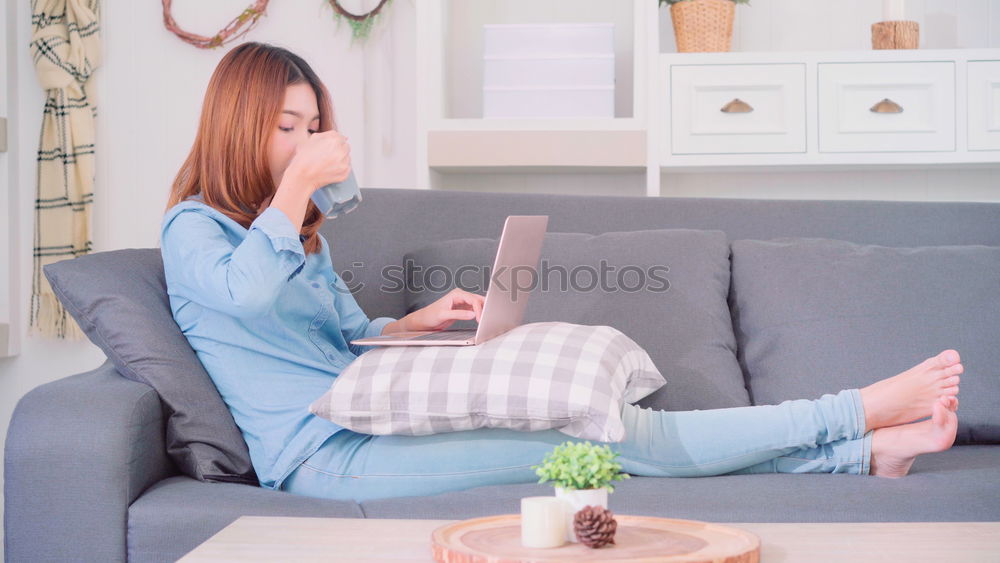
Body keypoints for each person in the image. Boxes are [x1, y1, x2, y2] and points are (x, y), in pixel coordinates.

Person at [161, 42, 963, 503]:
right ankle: (851, 413)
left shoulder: (300, 237)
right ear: (238, 125)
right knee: (606, 439)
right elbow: (245, 293)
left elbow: (342, 337)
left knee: (608, 429)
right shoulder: (190, 230)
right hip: (324, 456)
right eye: (286, 127)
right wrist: (302, 184)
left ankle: (860, 456)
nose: (304, 141)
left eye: (313, 126)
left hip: (372, 415)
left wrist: (408, 325)